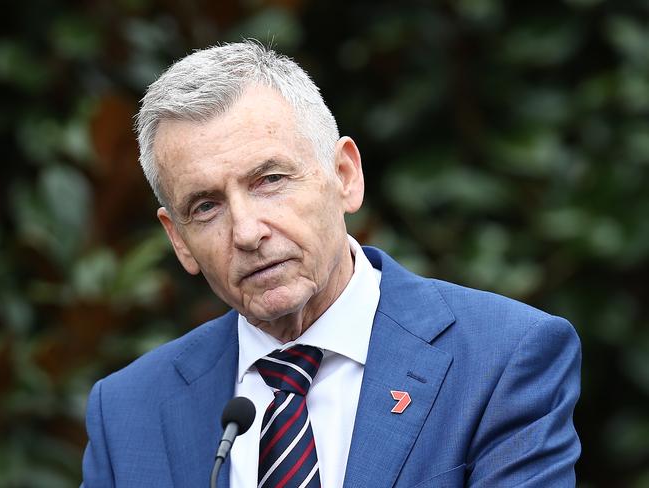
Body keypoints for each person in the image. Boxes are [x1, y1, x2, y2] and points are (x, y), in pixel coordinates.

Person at [81, 41, 581, 488]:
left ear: (344, 176)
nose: (247, 232)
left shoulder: (501, 358)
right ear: (179, 241)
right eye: (206, 206)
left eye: (270, 179)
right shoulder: (128, 411)